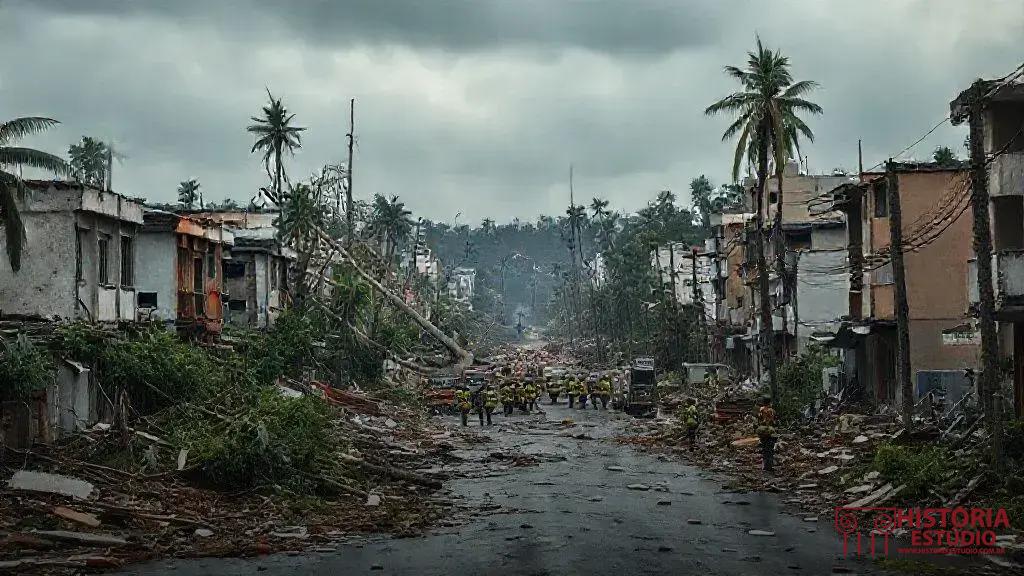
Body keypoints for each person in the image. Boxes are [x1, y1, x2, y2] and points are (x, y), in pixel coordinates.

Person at [756, 396, 777, 473]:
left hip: (762, 431)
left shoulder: (761, 409)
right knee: (770, 450)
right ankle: (769, 466)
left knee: (765, 449)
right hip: (770, 431)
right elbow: (773, 421)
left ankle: (765, 466)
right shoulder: (771, 410)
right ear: (769, 402)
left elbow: (759, 420)